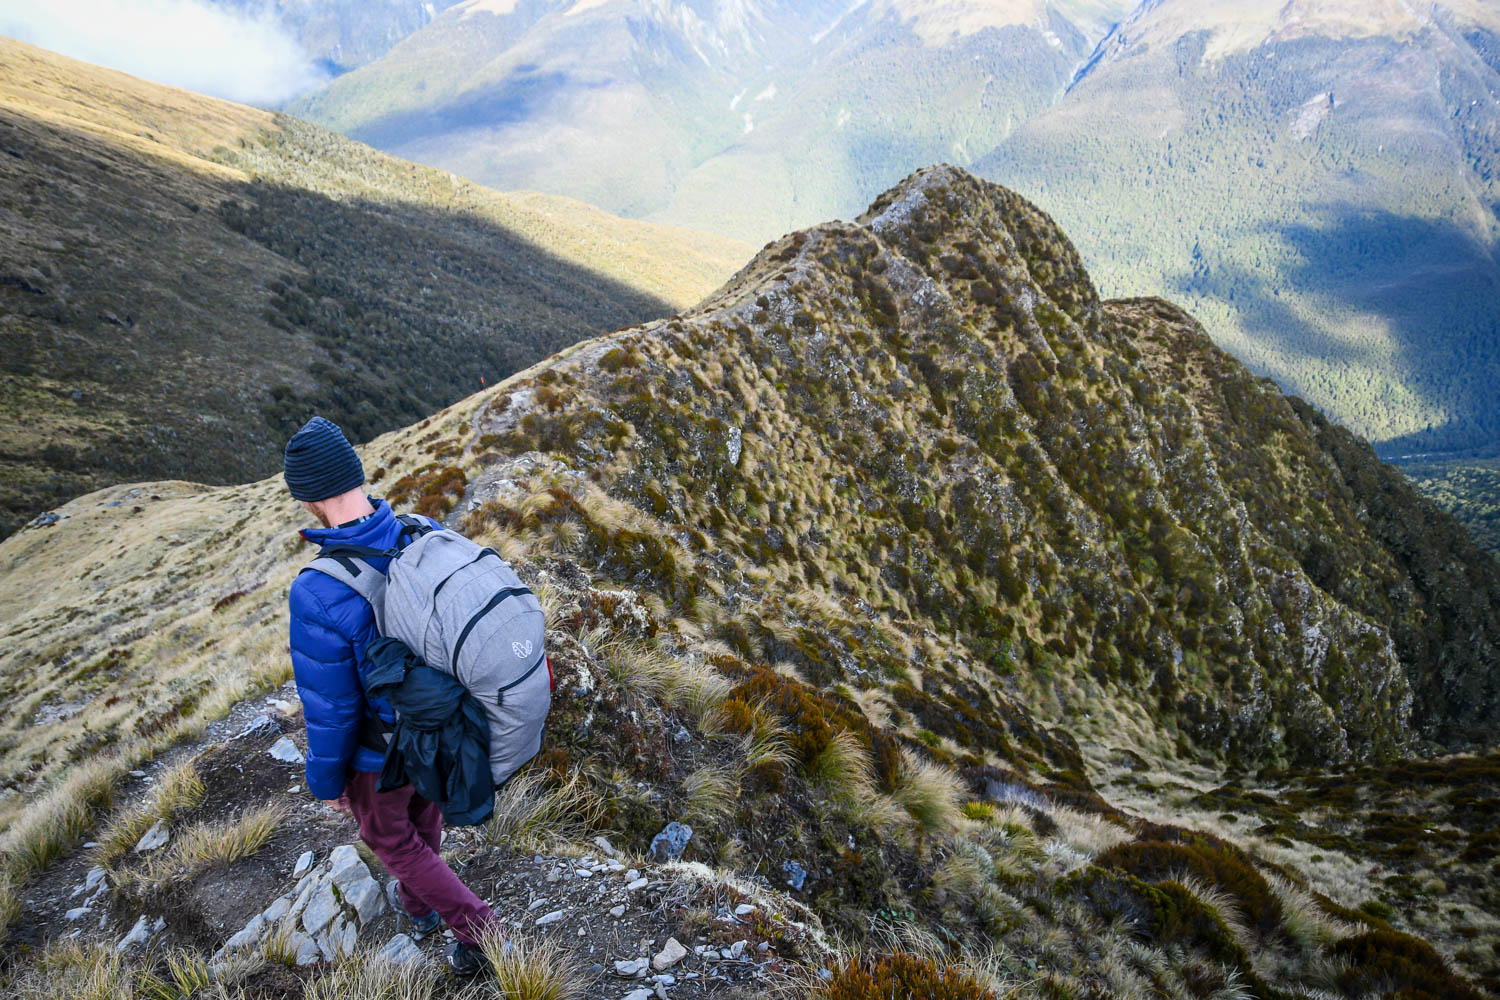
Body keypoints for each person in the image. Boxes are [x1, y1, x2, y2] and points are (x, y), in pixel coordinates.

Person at [283, 415, 502, 975]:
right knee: (424, 815)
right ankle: (418, 906)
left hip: (380, 754)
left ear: (307, 499)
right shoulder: (420, 530)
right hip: (440, 724)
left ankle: (481, 931)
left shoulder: (317, 589)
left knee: (391, 839)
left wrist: (328, 782)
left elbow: (332, 709)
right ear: (356, 474)